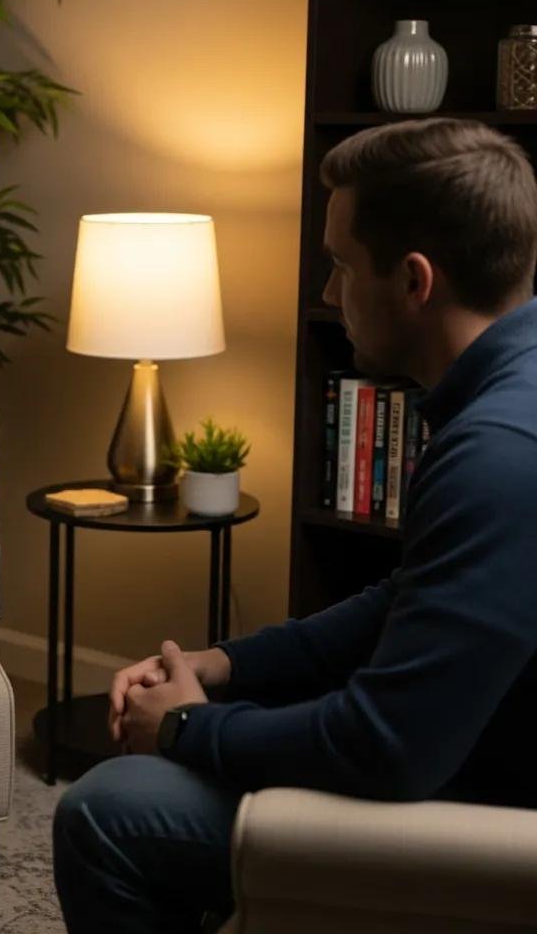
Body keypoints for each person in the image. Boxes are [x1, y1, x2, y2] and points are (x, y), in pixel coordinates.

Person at [53, 116, 537, 933]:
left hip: (491, 812)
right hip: (477, 746)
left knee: (106, 810)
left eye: (342, 266)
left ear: (416, 282)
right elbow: (406, 597)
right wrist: (227, 664)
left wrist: (185, 729)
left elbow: (384, 747)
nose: (325, 292)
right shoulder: (510, 389)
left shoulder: (498, 454)